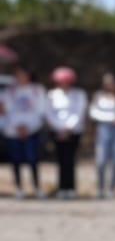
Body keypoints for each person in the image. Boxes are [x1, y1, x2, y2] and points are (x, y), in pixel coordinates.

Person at [4, 65, 46, 197]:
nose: (21, 78)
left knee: (32, 159)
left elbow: (40, 111)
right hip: (13, 130)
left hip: (32, 130)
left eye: (23, 75)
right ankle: (19, 188)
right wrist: (17, 127)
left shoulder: (37, 90)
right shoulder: (9, 92)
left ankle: (37, 188)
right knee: (15, 160)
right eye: (18, 75)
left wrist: (28, 127)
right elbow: (6, 111)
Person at [45, 66, 87, 199]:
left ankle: (71, 188)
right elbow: (49, 113)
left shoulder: (79, 94)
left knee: (70, 160)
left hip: (73, 131)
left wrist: (69, 128)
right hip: (57, 131)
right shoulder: (51, 95)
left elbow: (79, 112)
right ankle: (62, 188)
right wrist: (59, 128)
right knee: (60, 160)